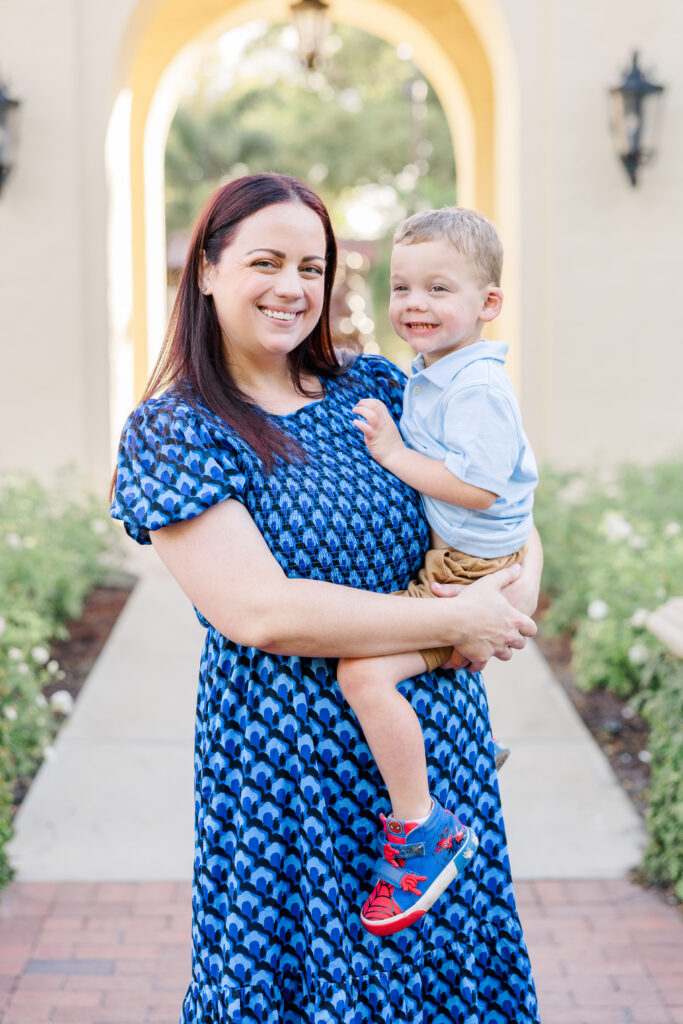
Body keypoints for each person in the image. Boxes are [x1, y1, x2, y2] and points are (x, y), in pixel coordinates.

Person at [110, 173, 542, 1024]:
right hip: (287, 784)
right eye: (266, 261)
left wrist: (509, 594)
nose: (292, 288)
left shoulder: (375, 388)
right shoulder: (177, 430)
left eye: (313, 267)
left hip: (431, 776)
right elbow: (259, 613)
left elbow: (500, 508)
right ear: (205, 269)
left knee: (448, 990)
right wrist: (456, 617)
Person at [337, 206, 538, 936]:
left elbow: (479, 486)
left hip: (468, 558)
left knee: (363, 674)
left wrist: (393, 455)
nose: (414, 305)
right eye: (403, 288)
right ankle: (463, 754)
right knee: (424, 656)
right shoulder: (437, 370)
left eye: (438, 290)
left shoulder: (476, 386)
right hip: (464, 553)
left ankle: (422, 827)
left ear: (487, 304)